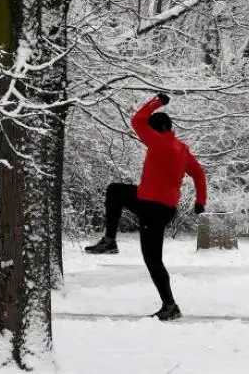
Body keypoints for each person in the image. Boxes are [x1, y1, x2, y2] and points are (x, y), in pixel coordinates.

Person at [85, 93, 207, 321]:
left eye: (150, 130)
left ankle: (110, 240)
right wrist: (200, 202)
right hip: (166, 209)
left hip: (150, 205)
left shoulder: (157, 140)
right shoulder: (182, 150)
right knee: (153, 258)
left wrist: (157, 101)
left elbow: (137, 120)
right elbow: (199, 174)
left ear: (157, 129)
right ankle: (169, 306)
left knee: (115, 192)